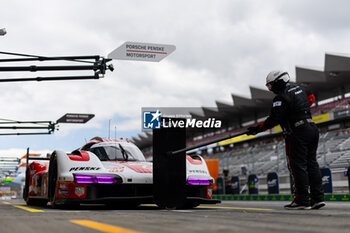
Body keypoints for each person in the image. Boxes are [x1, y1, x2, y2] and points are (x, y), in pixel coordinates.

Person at [247, 70, 325, 210]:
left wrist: (256, 129)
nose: (270, 89)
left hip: (297, 132)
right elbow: (311, 98)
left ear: (278, 82)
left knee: (297, 166)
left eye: (270, 85)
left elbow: (274, 119)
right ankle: (317, 199)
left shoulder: (281, 97)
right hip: (312, 128)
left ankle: (302, 200)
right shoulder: (302, 89)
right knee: (312, 164)